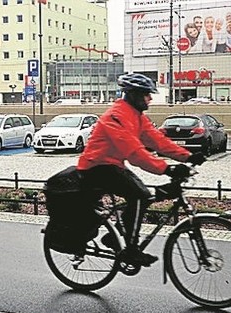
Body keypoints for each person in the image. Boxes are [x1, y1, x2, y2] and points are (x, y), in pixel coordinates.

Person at [77, 73, 205, 267]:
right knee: (140, 195)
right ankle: (131, 250)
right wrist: (167, 169)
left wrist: (186, 156)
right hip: (96, 167)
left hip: (112, 166)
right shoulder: (115, 116)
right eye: (146, 94)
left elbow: (157, 140)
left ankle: (115, 238)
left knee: (142, 194)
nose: (150, 98)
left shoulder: (136, 116)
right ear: (134, 94)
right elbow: (134, 152)